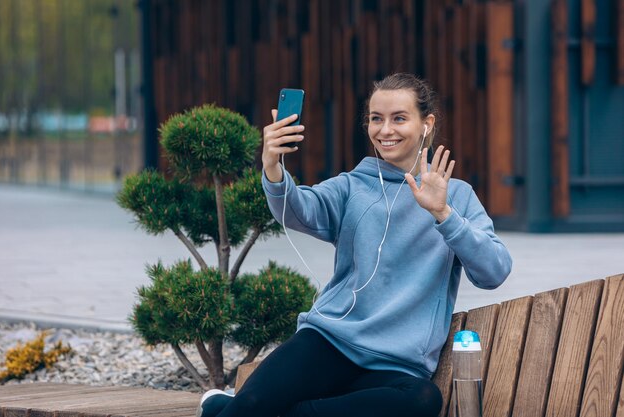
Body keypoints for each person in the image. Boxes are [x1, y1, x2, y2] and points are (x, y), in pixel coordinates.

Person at [196, 73, 512, 417]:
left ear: (426, 124)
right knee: (252, 405)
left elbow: (493, 271)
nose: (385, 130)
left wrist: (443, 213)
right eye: (376, 119)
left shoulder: (457, 196)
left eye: (399, 118)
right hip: (328, 342)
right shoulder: (352, 186)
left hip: (396, 365)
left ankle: (238, 408)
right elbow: (298, 210)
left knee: (423, 400)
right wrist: (272, 167)